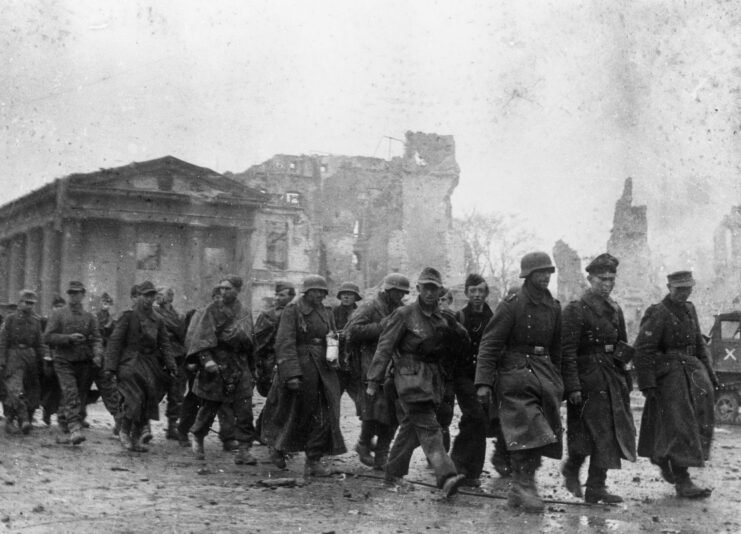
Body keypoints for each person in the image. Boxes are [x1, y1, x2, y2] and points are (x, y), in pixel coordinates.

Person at [475, 252, 564, 512]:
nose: (545, 276)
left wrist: (558, 380)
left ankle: (519, 487)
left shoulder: (554, 307)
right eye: (540, 272)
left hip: (544, 374)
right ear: (528, 275)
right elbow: (490, 343)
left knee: (544, 429)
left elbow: (556, 348)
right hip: (514, 374)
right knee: (530, 427)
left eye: (548, 271)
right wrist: (483, 381)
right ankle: (524, 484)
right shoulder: (512, 304)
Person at [366, 267, 466, 498]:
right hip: (409, 377)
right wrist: (373, 380)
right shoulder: (404, 314)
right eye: (426, 288)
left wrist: (454, 325)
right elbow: (385, 346)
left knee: (412, 427)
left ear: (440, 290)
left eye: (434, 288)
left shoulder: (442, 318)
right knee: (430, 427)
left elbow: (461, 344)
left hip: (433, 379)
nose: (430, 293)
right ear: (419, 289)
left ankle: (392, 473)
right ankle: (446, 475)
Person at [634, 270, 718, 499]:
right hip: (670, 376)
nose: (684, 293)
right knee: (681, 425)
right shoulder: (658, 312)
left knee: (702, 418)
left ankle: (663, 457)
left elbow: (700, 345)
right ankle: (683, 480)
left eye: (688, 288)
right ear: (669, 287)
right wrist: (647, 384)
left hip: (693, 373)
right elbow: (643, 349)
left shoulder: (690, 309)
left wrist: (710, 376)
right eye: (679, 289)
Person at [560, 253, 636, 503]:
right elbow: (567, 350)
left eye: (611, 279)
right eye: (602, 279)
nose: (607, 283)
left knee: (609, 433)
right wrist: (572, 386)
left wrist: (625, 375)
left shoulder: (615, 308)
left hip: (611, 376)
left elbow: (622, 344)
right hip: (587, 378)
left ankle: (596, 486)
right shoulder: (576, 309)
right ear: (590, 279)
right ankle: (572, 467)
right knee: (585, 434)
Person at [261, 275, 346, 476]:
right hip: (301, 367)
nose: (319, 294)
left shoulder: (326, 312)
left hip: (324, 369)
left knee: (325, 413)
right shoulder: (293, 310)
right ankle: (277, 446)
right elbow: (285, 342)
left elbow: (332, 336)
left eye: (322, 291)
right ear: (306, 292)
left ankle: (313, 459)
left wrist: (334, 355)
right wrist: (291, 374)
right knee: (291, 412)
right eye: (314, 291)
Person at [185, 275, 258, 465]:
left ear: (238, 290)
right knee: (210, 406)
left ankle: (244, 449)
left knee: (244, 409)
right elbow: (200, 339)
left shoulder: (245, 312)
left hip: (239, 365)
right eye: (222, 288)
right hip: (217, 364)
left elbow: (251, 342)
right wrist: (207, 361)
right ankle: (198, 438)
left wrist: (252, 369)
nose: (223, 292)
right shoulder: (211, 310)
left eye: (228, 288)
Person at [344, 273, 409, 470]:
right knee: (374, 410)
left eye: (402, 293)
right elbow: (352, 331)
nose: (400, 296)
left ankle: (381, 453)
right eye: (396, 292)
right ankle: (364, 444)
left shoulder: (400, 310)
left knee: (393, 413)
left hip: (393, 366)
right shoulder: (370, 306)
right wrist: (381, 326)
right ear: (387, 290)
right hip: (369, 364)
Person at [104, 281, 177, 452]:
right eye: (145, 295)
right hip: (130, 363)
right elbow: (115, 342)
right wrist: (110, 367)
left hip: (150, 364)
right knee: (133, 399)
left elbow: (165, 344)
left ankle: (136, 438)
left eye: (152, 296)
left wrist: (171, 365)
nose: (149, 299)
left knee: (147, 400)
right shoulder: (128, 316)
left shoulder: (158, 319)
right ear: (139, 296)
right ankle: (124, 431)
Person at [43, 281, 103, 445]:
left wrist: (98, 354)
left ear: (83, 295)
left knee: (79, 395)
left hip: (83, 361)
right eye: (71, 293)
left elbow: (97, 338)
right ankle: (75, 428)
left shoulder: (89, 317)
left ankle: (63, 427)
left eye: (77, 293)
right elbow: (47, 337)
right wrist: (68, 338)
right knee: (71, 393)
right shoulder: (59, 314)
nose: (74, 297)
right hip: (63, 360)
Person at [450, 274, 494, 487]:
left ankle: (472, 472)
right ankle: (456, 463)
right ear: (467, 293)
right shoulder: (460, 316)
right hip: (464, 375)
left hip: (484, 377)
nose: (477, 295)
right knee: (475, 416)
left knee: (478, 420)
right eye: (473, 291)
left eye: (481, 291)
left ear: (486, 293)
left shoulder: (493, 317)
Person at [254, 281, 296, 442]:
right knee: (276, 398)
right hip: (271, 362)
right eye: (277, 294)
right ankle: (262, 432)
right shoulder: (268, 315)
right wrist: (260, 365)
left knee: (285, 398)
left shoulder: (295, 312)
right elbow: (259, 342)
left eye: (282, 295)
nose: (278, 298)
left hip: (289, 360)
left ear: (292, 296)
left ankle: (270, 432)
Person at [0, 290, 45, 434]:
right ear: (20, 303)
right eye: (27, 302)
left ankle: (14, 419)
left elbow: (39, 342)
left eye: (32, 303)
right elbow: (3, 341)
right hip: (14, 355)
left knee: (31, 390)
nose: (30, 306)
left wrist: (42, 360)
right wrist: (1, 360)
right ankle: (23, 419)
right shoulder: (11, 319)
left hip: (30, 356)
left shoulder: (36, 321)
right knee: (15, 388)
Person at [154, 287, 187, 440]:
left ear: (170, 297)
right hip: (160, 358)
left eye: (161, 294)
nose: (157, 296)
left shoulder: (177, 315)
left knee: (177, 393)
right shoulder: (153, 312)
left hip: (178, 358)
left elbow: (182, 334)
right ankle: (141, 425)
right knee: (154, 392)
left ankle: (172, 426)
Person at [89, 291, 121, 433]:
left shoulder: (112, 321)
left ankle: (118, 419)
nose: (105, 306)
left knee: (109, 390)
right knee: (80, 389)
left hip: (105, 359)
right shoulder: (92, 318)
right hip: (91, 357)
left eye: (108, 303)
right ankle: (72, 420)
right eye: (103, 302)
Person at [39, 295, 66, 426]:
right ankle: (46, 413)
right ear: (52, 308)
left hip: (62, 358)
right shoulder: (44, 321)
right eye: (56, 307)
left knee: (60, 388)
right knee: (48, 386)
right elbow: (42, 340)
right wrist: (46, 354)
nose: (58, 310)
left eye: (61, 307)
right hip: (48, 359)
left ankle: (60, 416)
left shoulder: (65, 322)